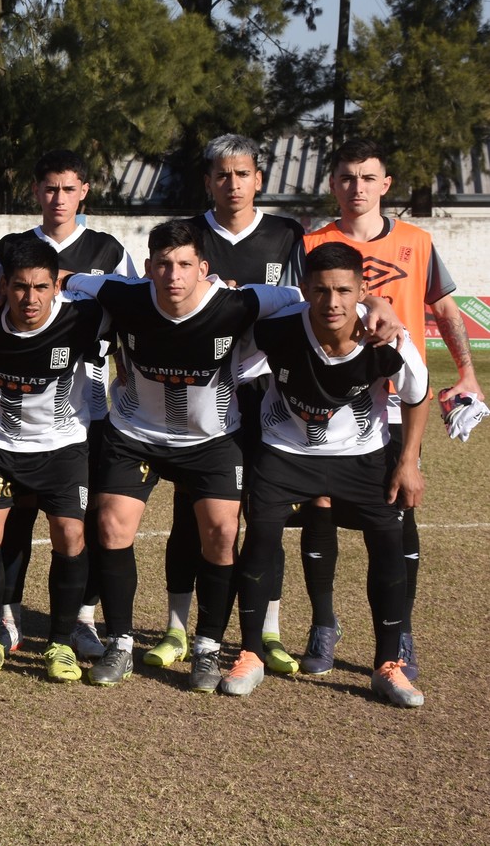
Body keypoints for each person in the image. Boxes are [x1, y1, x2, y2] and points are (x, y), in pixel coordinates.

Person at [63, 221, 314, 689]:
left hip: (213, 440)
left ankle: (207, 647)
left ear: (204, 269)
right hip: (136, 432)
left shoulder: (240, 302)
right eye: (162, 264)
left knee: (221, 534)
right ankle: (119, 642)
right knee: (111, 526)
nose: (172, 275)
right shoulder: (123, 294)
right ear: (149, 267)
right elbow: (69, 279)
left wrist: (374, 305)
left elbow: (301, 299)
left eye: (183, 265)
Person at [299, 137, 481, 679]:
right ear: (333, 184)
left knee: (399, 510)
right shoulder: (311, 243)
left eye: (368, 177)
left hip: (399, 404)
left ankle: (399, 632)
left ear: (386, 185)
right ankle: (322, 624)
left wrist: (467, 371)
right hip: (329, 400)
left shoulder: (417, 242)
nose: (357, 188)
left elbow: (445, 309)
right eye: (347, 178)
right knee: (321, 508)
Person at [227, 242, 427, 707]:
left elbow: (416, 394)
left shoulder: (387, 338)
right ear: (305, 290)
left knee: (387, 543)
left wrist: (408, 462)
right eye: (320, 290)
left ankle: (387, 664)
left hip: (362, 456)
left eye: (342, 291)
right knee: (259, 539)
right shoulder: (275, 330)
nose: (331, 302)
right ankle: (251, 653)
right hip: (286, 451)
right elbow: (232, 365)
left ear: (362, 290)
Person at [145, 134, 310, 673]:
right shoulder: (189, 236)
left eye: (243, 174)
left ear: (258, 179)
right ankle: (176, 628)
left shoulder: (287, 234)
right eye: (221, 174)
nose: (232, 184)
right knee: (193, 516)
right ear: (208, 180)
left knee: (264, 518)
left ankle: (265, 632)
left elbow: (307, 305)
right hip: (200, 391)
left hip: (265, 393)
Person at [0, 149, 135, 659]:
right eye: (50, 189)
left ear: (84, 191)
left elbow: (131, 307)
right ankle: (8, 611)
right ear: (35, 192)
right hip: (17, 411)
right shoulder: (10, 248)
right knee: (15, 512)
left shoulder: (109, 249)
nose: (59, 199)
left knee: (75, 522)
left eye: (69, 189)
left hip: (82, 410)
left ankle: (82, 618)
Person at [0, 234, 111, 682]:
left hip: (62, 447)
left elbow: (139, 296)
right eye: (20, 286)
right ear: (5, 286)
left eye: (41, 287)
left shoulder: (85, 316)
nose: (30, 298)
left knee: (69, 536)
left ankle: (60, 643)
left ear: (56, 286)